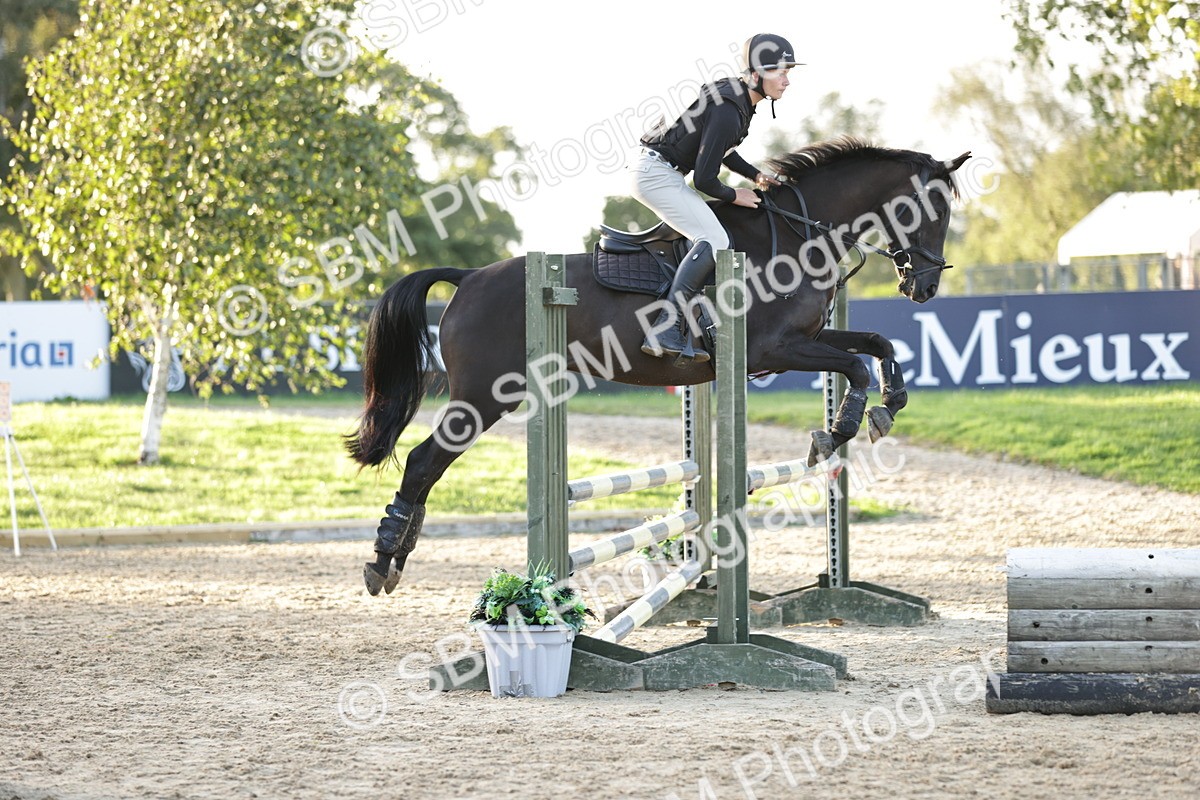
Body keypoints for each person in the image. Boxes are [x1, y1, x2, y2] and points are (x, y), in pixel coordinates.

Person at [633, 33, 799, 364]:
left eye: (788, 72)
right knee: (715, 238)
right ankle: (665, 328)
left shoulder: (738, 99)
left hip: (660, 171)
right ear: (755, 75)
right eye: (779, 71)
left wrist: (755, 176)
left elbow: (724, 151)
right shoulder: (728, 109)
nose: (786, 80)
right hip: (657, 174)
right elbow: (705, 179)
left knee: (714, 234)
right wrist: (735, 194)